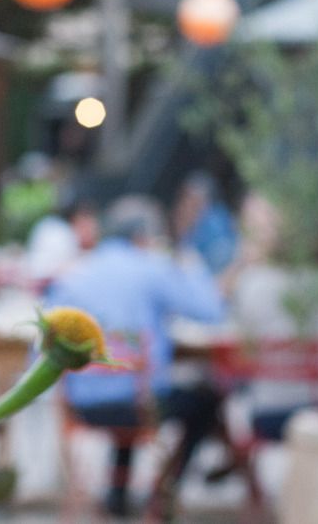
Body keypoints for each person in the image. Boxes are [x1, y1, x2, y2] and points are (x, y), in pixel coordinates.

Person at [45, 195, 227, 518]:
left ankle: (118, 495)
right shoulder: (152, 268)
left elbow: (48, 335)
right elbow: (210, 311)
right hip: (138, 406)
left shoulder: (76, 273)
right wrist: (188, 264)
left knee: (133, 386)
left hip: (80, 405)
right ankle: (162, 495)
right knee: (207, 400)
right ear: (144, 237)